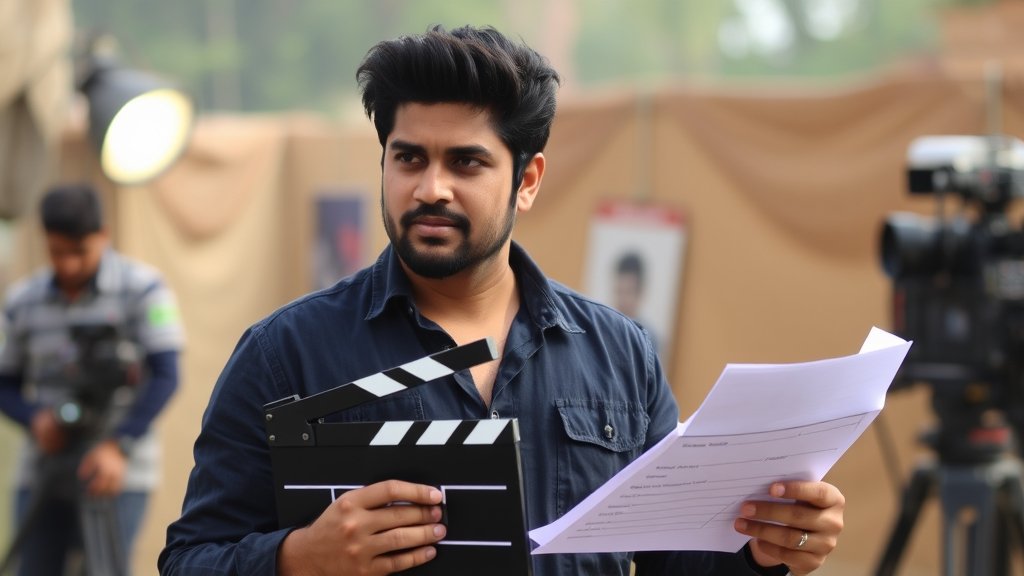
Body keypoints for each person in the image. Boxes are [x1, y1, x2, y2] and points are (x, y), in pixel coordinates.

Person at [159, 25, 844, 576]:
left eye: (466, 162)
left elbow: (671, 559)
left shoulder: (619, 354)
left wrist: (766, 548)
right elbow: (191, 558)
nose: (430, 188)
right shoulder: (286, 354)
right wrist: (298, 560)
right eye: (408, 158)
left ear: (528, 179)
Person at [0, 183, 185, 575]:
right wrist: (35, 419)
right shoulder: (22, 301)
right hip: (43, 466)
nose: (67, 265)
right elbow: (4, 383)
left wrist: (119, 445)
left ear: (103, 235)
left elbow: (167, 375)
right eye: (56, 252)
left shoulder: (144, 291)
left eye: (78, 252)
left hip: (119, 472)